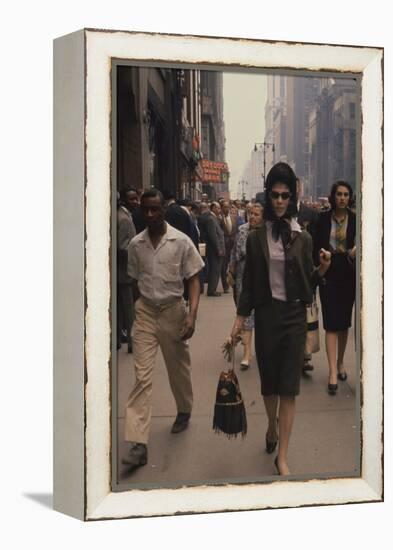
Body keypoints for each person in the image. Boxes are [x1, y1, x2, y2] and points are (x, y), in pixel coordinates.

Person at [231, 162, 331, 476]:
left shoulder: (304, 238)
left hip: (293, 318)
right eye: (274, 195)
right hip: (267, 316)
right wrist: (238, 320)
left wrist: (322, 270)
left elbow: (306, 283)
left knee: (289, 388)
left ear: (292, 197)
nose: (279, 201)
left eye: (284, 195)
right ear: (268, 195)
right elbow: (249, 285)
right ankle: (271, 425)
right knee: (269, 386)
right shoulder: (256, 237)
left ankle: (282, 456)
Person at [122, 189, 204, 470]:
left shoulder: (180, 242)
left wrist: (191, 315)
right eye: (145, 210)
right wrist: (138, 309)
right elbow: (134, 280)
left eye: (155, 209)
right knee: (141, 378)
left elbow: (194, 279)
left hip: (173, 312)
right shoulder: (136, 244)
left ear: (163, 211)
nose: (149, 215)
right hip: (146, 313)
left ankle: (184, 409)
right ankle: (138, 444)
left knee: (178, 369)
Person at [313, 181, 356, 395]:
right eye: (339, 194)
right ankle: (331, 371)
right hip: (328, 272)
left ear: (350, 197)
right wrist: (321, 261)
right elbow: (314, 246)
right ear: (333, 196)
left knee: (344, 323)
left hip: (348, 274)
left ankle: (340, 362)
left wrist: (356, 251)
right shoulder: (322, 219)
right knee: (330, 323)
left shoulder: (357, 220)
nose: (342, 198)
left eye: (346, 194)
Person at [228, 203, 263, 370]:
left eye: (257, 214)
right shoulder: (242, 230)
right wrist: (231, 269)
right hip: (243, 278)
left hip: (262, 279)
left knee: (262, 317)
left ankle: (262, 351)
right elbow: (235, 252)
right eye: (251, 214)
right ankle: (247, 353)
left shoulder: (266, 232)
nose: (253, 217)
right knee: (246, 316)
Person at [296, 178, 320, 373]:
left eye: (296, 187)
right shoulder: (281, 213)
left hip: (308, 270)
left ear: (300, 188)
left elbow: (318, 242)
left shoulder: (311, 214)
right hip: (286, 273)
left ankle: (306, 355)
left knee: (308, 313)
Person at [117, 192, 136, 353]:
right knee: (128, 309)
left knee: (119, 309)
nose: (136, 201)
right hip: (124, 271)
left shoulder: (122, 215)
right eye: (132, 199)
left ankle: (117, 339)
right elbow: (122, 246)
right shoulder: (123, 219)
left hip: (120, 272)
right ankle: (132, 341)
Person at [202, 202, 225, 297]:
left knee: (216, 269)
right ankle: (211, 290)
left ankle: (213, 289)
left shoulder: (215, 218)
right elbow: (213, 236)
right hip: (214, 249)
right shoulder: (211, 219)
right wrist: (218, 249)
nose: (220, 210)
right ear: (214, 208)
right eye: (218, 208)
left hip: (216, 248)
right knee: (214, 269)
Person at [220, 200, 238, 294]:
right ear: (222, 208)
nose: (227, 209)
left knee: (234, 264)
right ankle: (225, 286)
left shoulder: (234, 217)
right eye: (225, 207)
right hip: (224, 245)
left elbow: (236, 231)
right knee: (223, 266)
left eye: (228, 207)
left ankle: (234, 283)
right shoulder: (219, 219)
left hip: (233, 245)